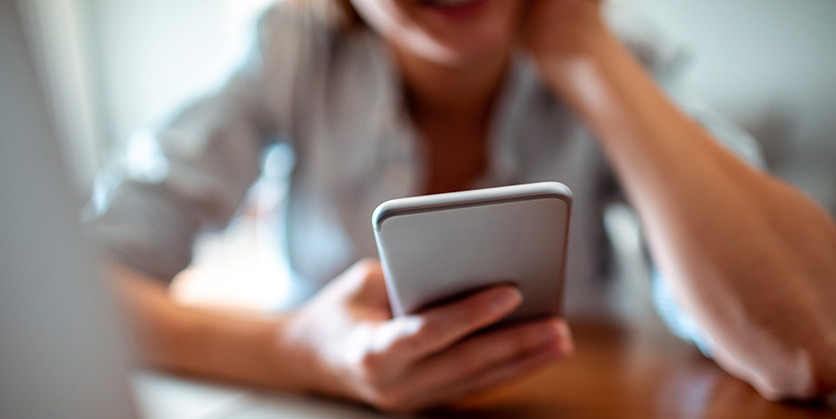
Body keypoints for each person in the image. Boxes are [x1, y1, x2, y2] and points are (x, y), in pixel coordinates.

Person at [86, 0, 836, 413]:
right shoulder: (288, 48)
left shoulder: (619, 58)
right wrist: (300, 351)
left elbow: (807, 345)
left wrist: (582, 46)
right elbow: (68, 292)